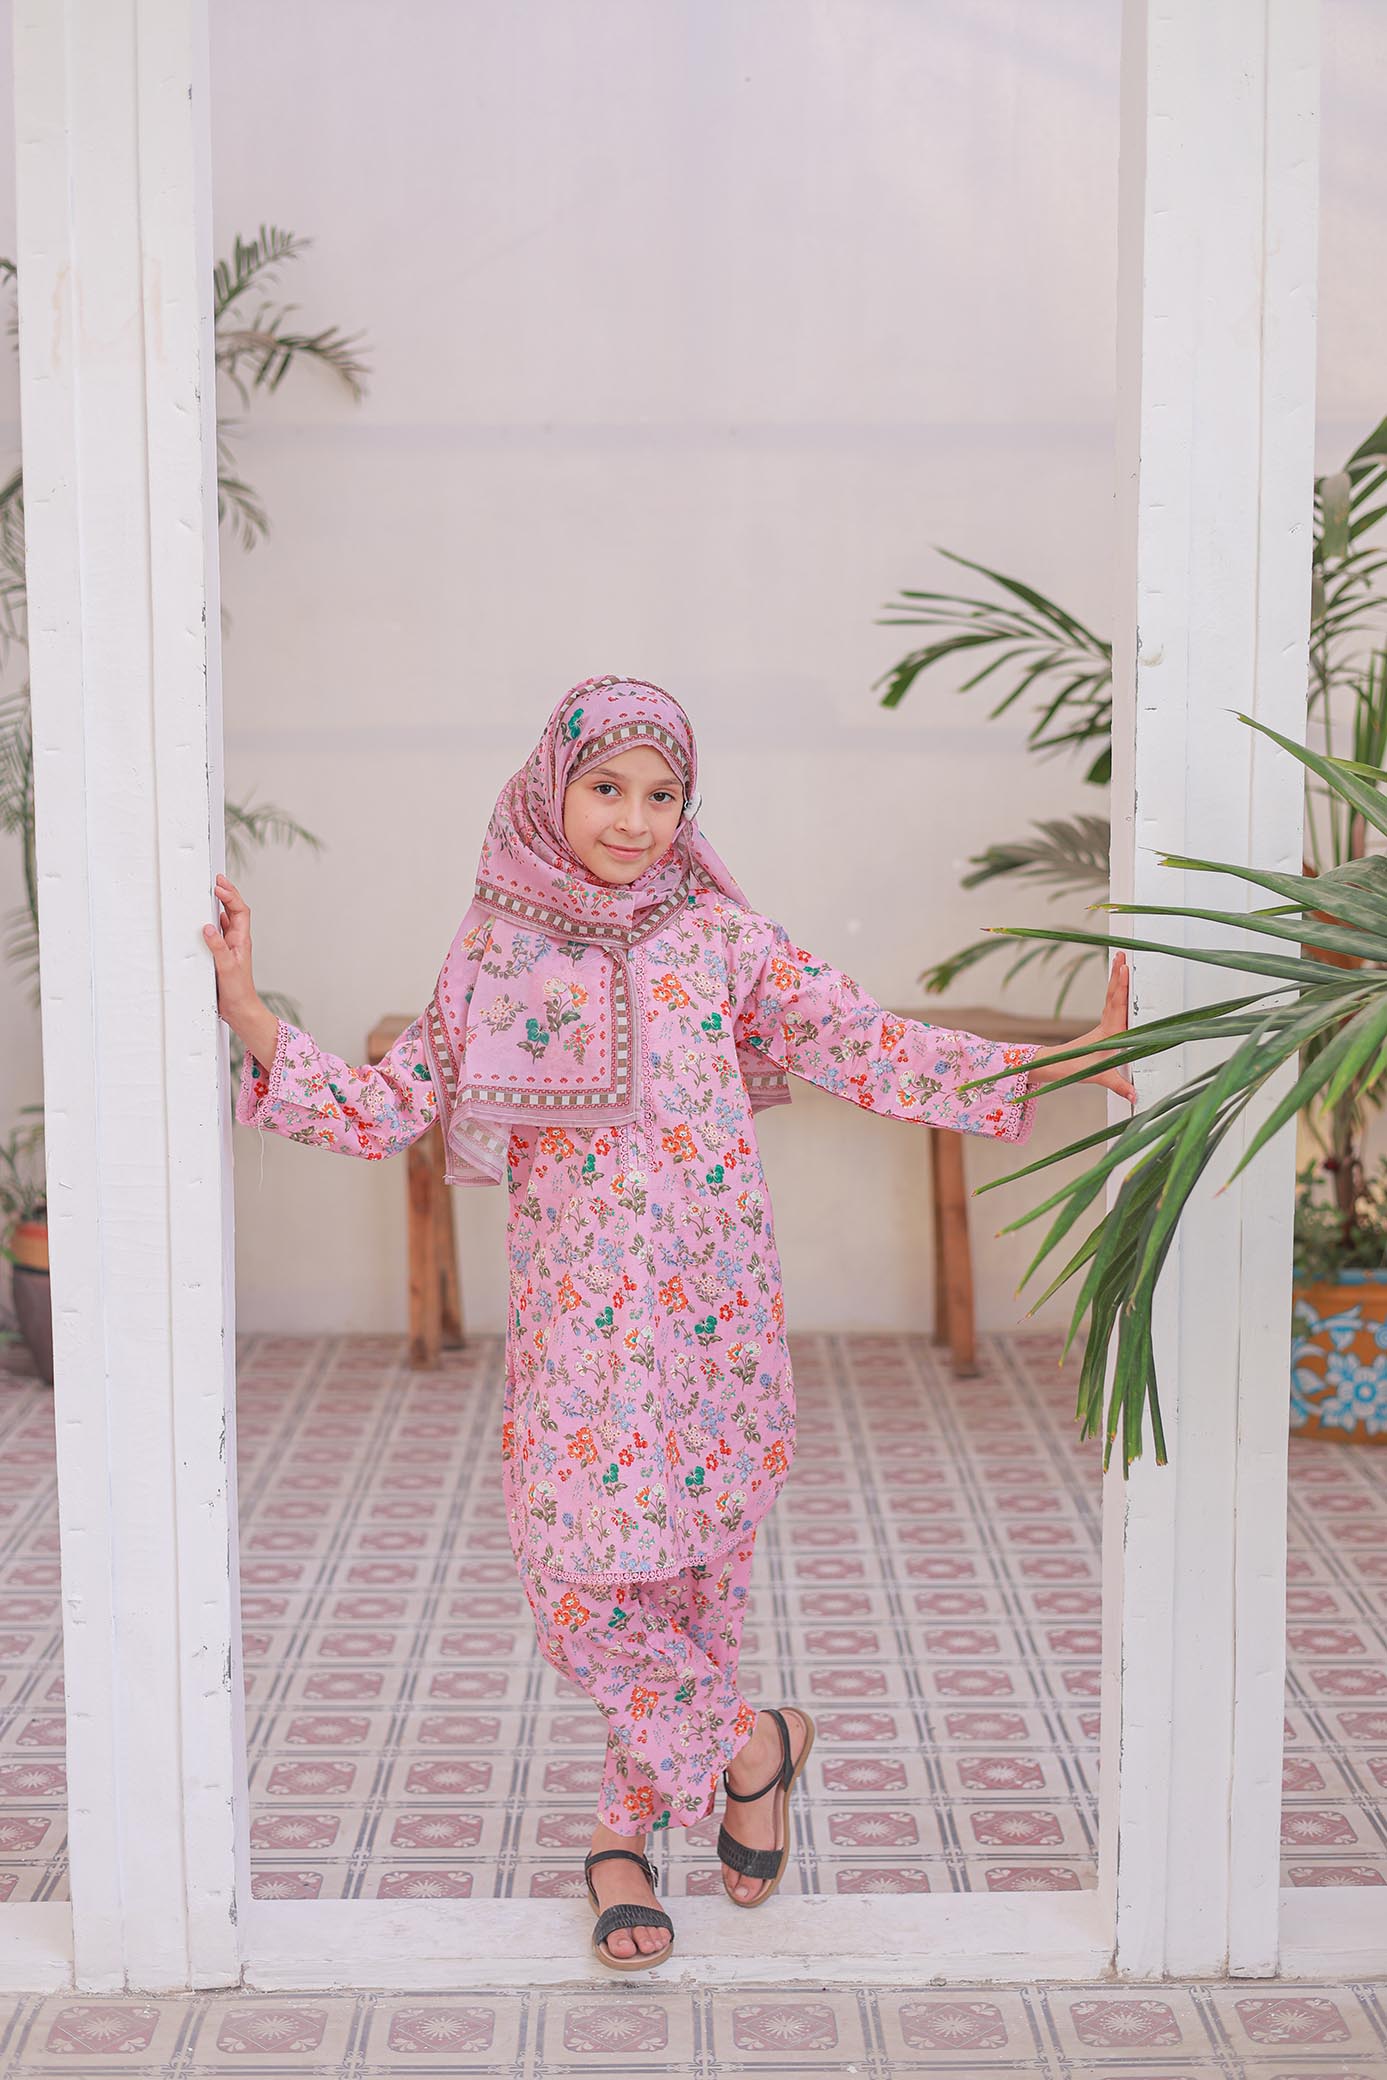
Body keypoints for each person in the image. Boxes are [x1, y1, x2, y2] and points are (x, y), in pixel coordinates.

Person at [206, 673, 1132, 1970]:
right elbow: (393, 1105)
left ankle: (620, 1846)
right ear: (552, 786)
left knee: (686, 1594)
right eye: (606, 788)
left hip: (711, 1322)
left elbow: (860, 1042)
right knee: (576, 1585)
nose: (634, 819)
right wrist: (252, 1014)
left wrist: (1067, 1061)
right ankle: (755, 1744)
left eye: (662, 794)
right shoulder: (494, 946)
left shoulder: (720, 940)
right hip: (578, 1340)